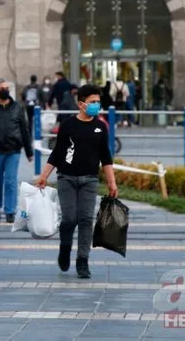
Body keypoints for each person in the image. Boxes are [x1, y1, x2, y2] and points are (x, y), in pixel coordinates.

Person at [35, 84, 118, 279]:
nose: (96, 105)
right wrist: (44, 176)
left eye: (98, 102)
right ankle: (65, 248)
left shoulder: (100, 127)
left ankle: (83, 261)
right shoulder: (68, 126)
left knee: (86, 220)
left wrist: (112, 182)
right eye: (92, 102)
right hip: (67, 178)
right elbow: (57, 153)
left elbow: (106, 156)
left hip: (90, 180)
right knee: (70, 219)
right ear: (81, 104)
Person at [0, 78, 33, 223]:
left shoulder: (17, 107)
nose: (5, 91)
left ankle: (10, 211)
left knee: (10, 181)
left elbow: (24, 130)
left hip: (13, 151)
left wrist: (29, 151)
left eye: (7, 88)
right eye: (2, 88)